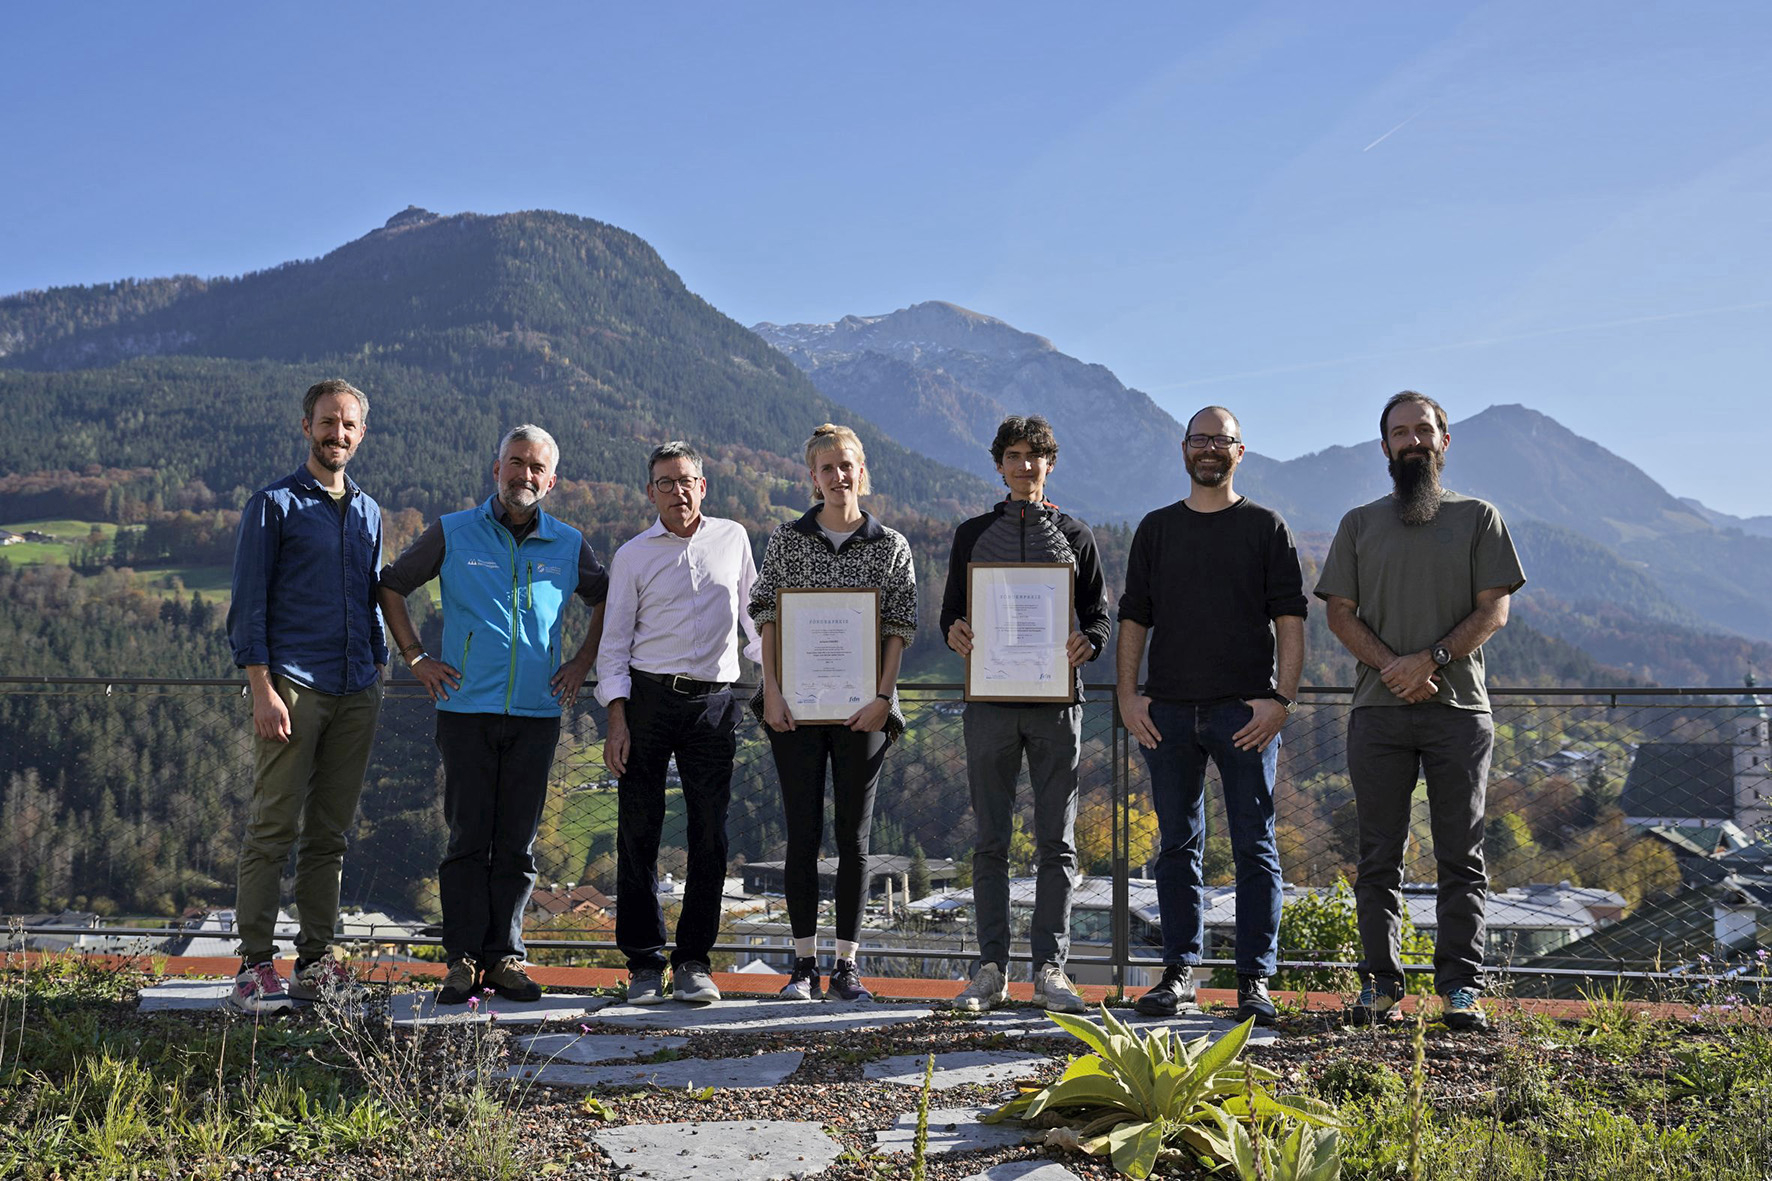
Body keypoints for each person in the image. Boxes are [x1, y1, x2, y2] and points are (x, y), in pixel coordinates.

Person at [1316, 391, 1524, 1032]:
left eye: (1423, 431)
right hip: (1378, 713)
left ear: (1444, 440)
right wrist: (1394, 668)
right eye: (1400, 433)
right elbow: (1338, 614)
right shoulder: (1358, 523)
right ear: (1384, 447)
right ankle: (1380, 987)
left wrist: (1429, 660)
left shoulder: (1479, 518)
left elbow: (1495, 609)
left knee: (1461, 855)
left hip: (1459, 711)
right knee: (1380, 856)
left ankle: (1461, 988)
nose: (1413, 441)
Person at [378, 424, 608, 1005]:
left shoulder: (568, 542)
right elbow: (392, 585)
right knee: (467, 838)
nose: (523, 476)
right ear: (496, 469)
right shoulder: (453, 532)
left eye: (535, 468)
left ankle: (505, 957)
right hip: (464, 710)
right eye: (514, 463)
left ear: (550, 480)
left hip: (537, 713)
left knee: (516, 843)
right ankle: (460, 961)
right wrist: (416, 658)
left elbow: (608, 597)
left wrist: (583, 661)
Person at [1117, 406, 1307, 1026]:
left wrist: (1282, 700)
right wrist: (1127, 695)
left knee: (1256, 847)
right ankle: (1178, 974)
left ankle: (1254, 981)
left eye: (1219, 441)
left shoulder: (1265, 527)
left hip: (1244, 714)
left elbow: (1291, 621)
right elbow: (1134, 619)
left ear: (1239, 452)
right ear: (1183, 450)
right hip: (1166, 712)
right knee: (1176, 847)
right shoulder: (1156, 529)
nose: (1208, 449)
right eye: (1198, 440)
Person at [226, 378, 388, 1014]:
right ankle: (254, 965)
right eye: (327, 423)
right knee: (272, 826)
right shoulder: (272, 505)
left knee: (330, 834)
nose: (337, 434)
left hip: (357, 689)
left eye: (348, 425)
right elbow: (249, 604)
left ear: (361, 433)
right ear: (306, 427)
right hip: (292, 687)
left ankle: (318, 963)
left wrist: (378, 664)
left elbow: (371, 596)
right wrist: (263, 689)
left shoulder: (370, 511)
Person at [940, 415, 1111, 1014]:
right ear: (999, 465)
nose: (1024, 466)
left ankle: (1050, 972)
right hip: (988, 704)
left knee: (1056, 843)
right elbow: (949, 617)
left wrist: (1090, 641)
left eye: (1035, 457)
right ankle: (990, 971)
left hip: (1056, 706)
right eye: (1013, 456)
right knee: (990, 841)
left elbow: (1099, 620)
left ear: (1049, 465)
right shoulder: (972, 535)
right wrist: (957, 631)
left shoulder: (1076, 535)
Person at [750, 423, 917, 1002]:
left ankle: (846, 967)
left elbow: (898, 628)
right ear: (812, 478)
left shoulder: (891, 545)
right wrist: (770, 690)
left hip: (864, 712)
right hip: (793, 708)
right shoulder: (785, 540)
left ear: (862, 471)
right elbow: (766, 617)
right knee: (802, 835)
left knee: (854, 838)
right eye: (827, 468)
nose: (839, 476)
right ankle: (801, 966)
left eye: (848, 465)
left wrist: (882, 698)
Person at [596, 442, 761, 1005]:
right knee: (637, 831)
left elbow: (755, 621)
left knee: (709, 834)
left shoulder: (733, 539)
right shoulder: (632, 556)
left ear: (703, 485)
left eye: (686, 480)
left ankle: (693, 960)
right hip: (646, 699)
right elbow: (614, 645)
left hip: (714, 703)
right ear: (651, 492)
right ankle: (644, 963)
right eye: (665, 483)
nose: (677, 491)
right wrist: (616, 718)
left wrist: (793, 678)